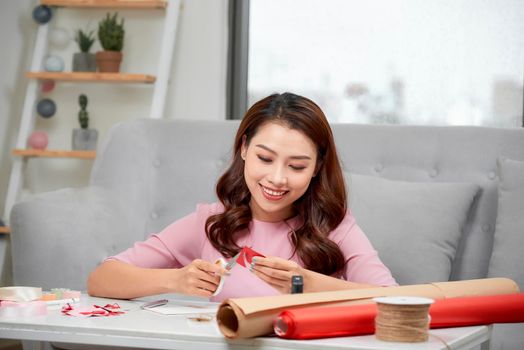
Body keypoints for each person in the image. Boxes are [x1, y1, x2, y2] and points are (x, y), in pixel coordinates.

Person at [87, 92, 397, 302]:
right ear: (245, 149)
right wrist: (176, 280)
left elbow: (397, 299)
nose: (277, 178)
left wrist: (305, 284)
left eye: (297, 166)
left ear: (316, 167)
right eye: (265, 158)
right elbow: (102, 278)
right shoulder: (209, 223)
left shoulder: (334, 228)